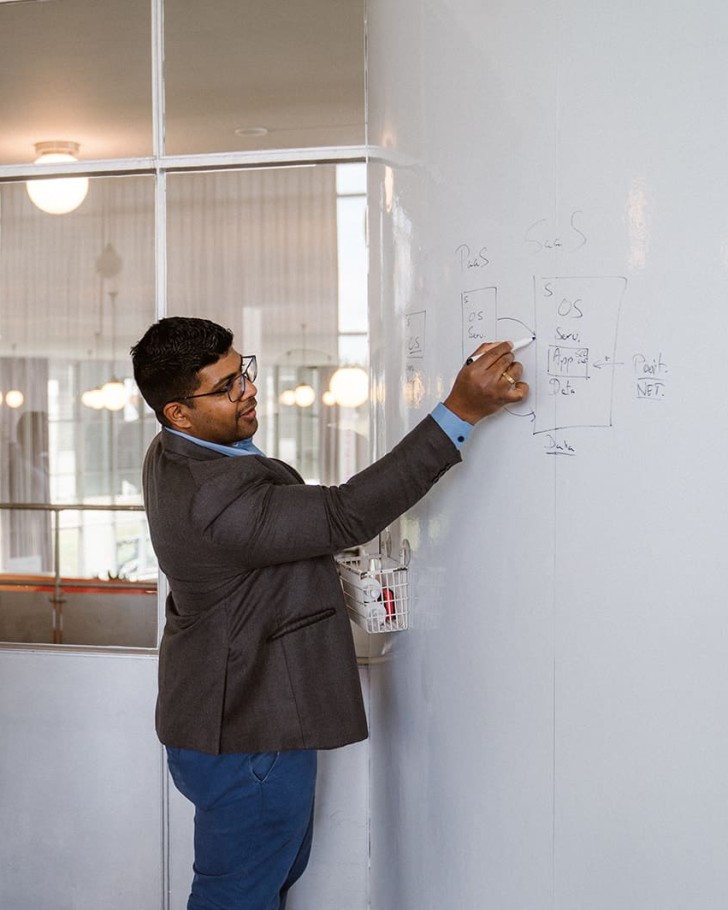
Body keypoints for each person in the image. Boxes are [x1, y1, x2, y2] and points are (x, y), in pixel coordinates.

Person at [131, 316, 528, 910]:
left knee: (259, 885)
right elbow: (345, 514)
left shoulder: (171, 453)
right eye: (227, 387)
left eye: (243, 372)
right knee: (235, 898)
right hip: (247, 736)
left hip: (219, 723)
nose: (248, 390)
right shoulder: (213, 497)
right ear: (178, 414)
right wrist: (460, 411)